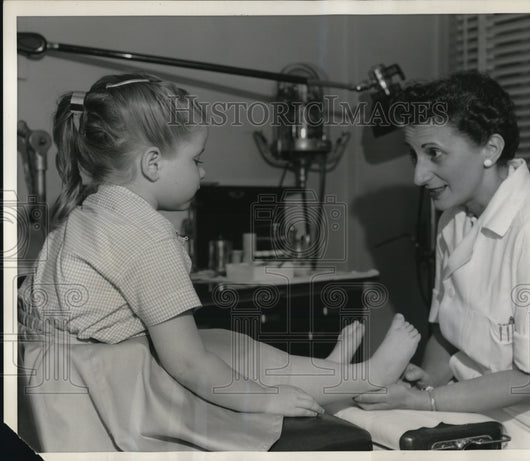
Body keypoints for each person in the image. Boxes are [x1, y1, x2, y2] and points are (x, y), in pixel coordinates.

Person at [17, 73, 421, 451]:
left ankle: (327, 379)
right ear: (152, 163)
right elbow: (189, 364)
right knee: (227, 353)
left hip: (69, 375)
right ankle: (364, 379)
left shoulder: (89, 215)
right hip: (115, 387)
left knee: (222, 340)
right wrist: (261, 399)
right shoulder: (144, 235)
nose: (204, 170)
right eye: (196, 159)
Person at [353, 71, 530, 449]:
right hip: (477, 415)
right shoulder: (453, 220)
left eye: (434, 154)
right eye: (415, 155)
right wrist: (426, 378)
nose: (418, 175)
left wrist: (427, 401)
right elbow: (448, 334)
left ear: (490, 150)